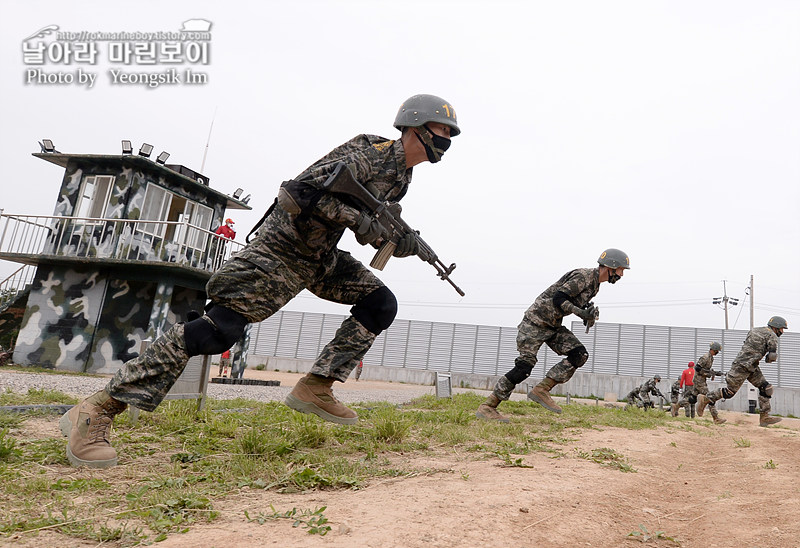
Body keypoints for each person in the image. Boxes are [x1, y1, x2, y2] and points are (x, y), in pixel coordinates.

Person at [60, 94, 461, 468]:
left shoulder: (401, 177)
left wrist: (392, 238)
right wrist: (361, 220)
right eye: (440, 130)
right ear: (413, 128)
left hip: (318, 257)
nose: (445, 140)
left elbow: (354, 220)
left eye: (448, 134)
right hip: (279, 252)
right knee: (217, 333)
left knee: (380, 303)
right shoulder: (368, 155)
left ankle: (316, 386)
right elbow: (299, 192)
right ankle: (97, 408)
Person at [476, 248, 630, 421]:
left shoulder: (595, 286)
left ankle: (541, 390)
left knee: (579, 354)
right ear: (611, 266)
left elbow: (571, 304)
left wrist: (588, 316)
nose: (622, 275)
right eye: (621, 270)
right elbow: (559, 298)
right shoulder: (583, 277)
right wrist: (580, 312)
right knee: (524, 368)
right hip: (535, 322)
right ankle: (488, 406)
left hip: (553, 325)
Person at [697, 317, 787, 427]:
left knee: (766, 388)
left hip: (750, 366)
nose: (782, 332)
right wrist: (769, 358)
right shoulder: (772, 335)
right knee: (729, 392)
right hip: (743, 367)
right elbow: (771, 357)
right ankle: (705, 399)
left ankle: (764, 417)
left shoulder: (754, 330)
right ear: (775, 327)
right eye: (782, 329)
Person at [693, 342, 725, 424]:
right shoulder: (706, 357)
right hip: (699, 381)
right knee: (710, 397)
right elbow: (697, 368)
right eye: (717, 351)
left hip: (701, 380)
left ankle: (676, 407)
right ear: (713, 350)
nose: (718, 352)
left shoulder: (711, 358)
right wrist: (708, 373)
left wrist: (712, 373)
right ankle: (716, 418)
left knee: (691, 399)